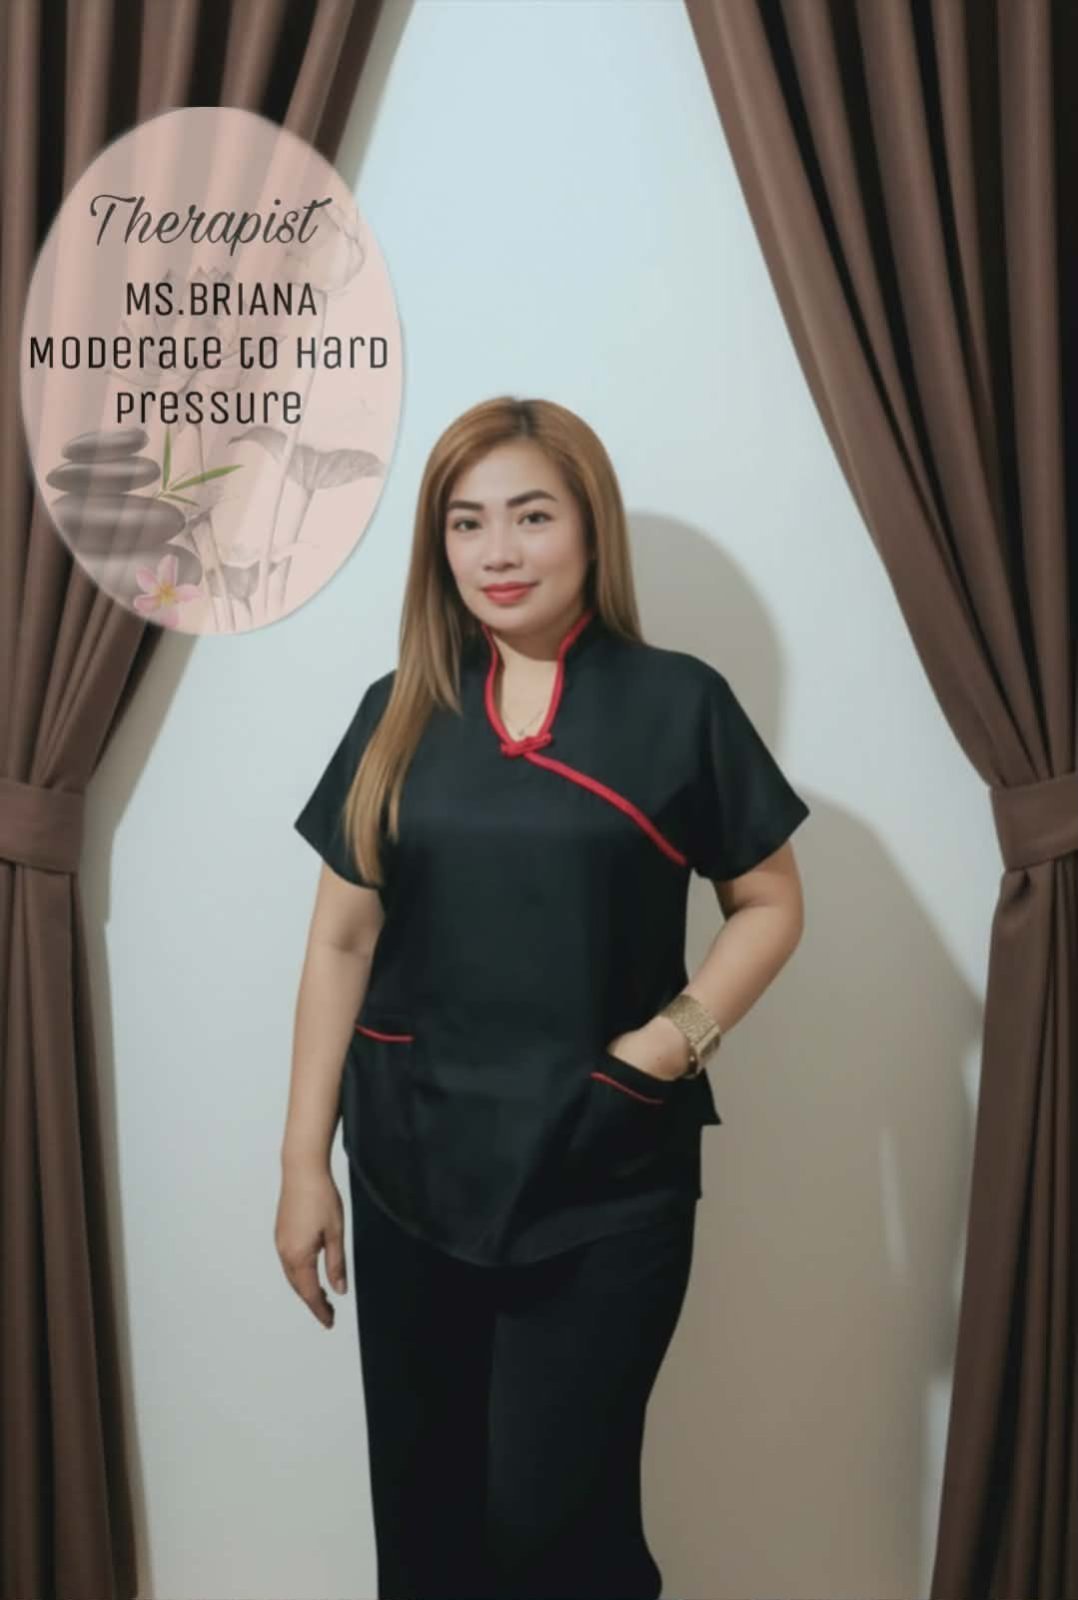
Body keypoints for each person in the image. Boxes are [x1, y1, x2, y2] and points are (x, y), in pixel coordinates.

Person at [275, 396, 810, 1599]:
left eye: (530, 515)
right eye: (466, 523)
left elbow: (770, 902)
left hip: (603, 1169)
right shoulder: (396, 711)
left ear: (589, 528)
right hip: (410, 1166)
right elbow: (341, 941)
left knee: (555, 1531)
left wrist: (665, 1048)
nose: (497, 552)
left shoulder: (679, 703)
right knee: (426, 1530)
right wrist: (304, 1161)